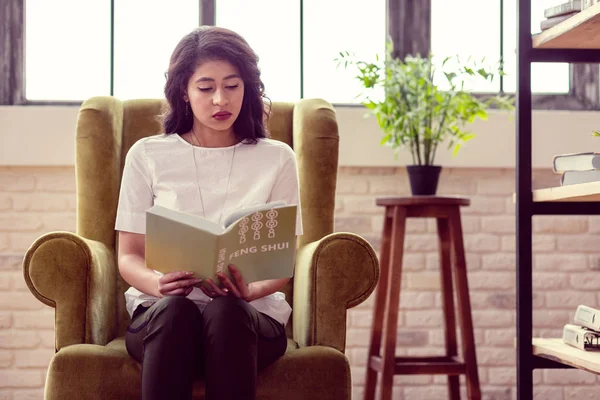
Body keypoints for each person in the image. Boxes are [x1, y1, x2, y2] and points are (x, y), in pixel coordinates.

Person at [114, 26, 303, 400]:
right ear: (183, 91)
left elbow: (282, 262)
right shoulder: (148, 154)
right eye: (206, 88)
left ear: (248, 87)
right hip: (163, 320)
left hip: (247, 322)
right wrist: (157, 285)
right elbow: (129, 255)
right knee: (176, 311)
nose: (220, 100)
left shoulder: (277, 157)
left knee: (227, 311)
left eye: (232, 86)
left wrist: (250, 291)